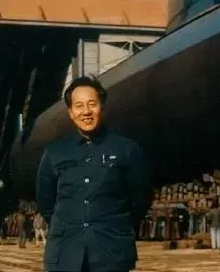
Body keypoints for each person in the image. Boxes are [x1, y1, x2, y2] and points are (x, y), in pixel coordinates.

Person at [36, 76, 154, 272]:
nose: (86, 112)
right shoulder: (55, 153)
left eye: (92, 104)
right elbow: (44, 200)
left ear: (102, 107)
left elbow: (141, 198)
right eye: (79, 106)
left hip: (112, 253)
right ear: (71, 113)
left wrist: (115, 226)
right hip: (65, 254)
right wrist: (69, 226)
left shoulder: (128, 150)